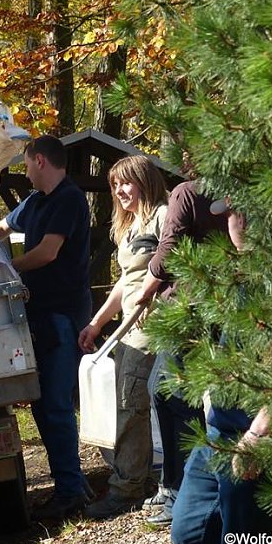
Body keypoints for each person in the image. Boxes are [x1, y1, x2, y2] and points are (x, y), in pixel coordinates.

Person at [169, 202, 272, 544]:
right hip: (217, 437)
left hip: (257, 440)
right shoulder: (234, 276)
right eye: (232, 212)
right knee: (188, 534)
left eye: (243, 212)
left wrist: (259, 435)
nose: (235, 221)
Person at [0, 134, 92, 520]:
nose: (25, 170)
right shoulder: (35, 202)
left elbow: (48, 252)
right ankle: (70, 483)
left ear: (40, 161)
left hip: (63, 317)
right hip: (40, 319)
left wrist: (6, 271)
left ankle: (70, 490)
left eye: (27, 163)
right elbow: (1, 227)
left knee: (55, 405)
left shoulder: (68, 198)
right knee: (40, 404)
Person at [135, 179, 230, 525]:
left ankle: (187, 492)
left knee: (171, 394)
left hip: (189, 307)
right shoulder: (234, 187)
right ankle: (178, 486)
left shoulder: (187, 192)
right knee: (174, 393)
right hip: (222, 304)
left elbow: (166, 256)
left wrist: (150, 278)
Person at [78, 155, 168, 519]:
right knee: (122, 402)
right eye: (115, 185)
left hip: (153, 328)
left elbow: (173, 264)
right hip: (127, 329)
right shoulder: (129, 227)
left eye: (126, 182)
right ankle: (138, 478)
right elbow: (125, 283)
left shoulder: (163, 215)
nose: (120, 191)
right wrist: (97, 324)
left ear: (145, 181)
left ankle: (127, 488)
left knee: (132, 404)